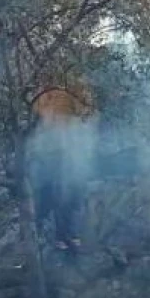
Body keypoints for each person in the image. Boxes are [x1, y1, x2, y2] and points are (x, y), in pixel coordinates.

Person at [28, 78, 98, 251]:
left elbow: (87, 112)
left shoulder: (78, 86)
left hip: (72, 150)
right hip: (51, 150)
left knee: (71, 193)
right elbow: (38, 110)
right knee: (52, 193)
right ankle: (50, 235)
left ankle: (67, 235)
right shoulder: (47, 90)